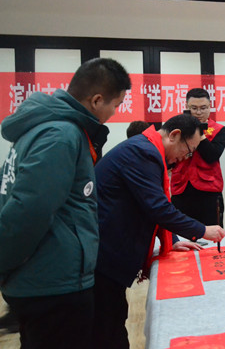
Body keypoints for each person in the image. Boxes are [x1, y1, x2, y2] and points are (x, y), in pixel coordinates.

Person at [0, 58, 131, 349]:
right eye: (116, 105)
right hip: (53, 284)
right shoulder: (61, 135)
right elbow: (28, 211)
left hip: (45, 277)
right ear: (97, 100)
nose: (114, 113)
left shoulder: (44, 128)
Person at [91, 114, 225, 348]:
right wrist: (203, 230)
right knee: (108, 327)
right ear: (174, 135)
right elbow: (158, 208)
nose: (186, 157)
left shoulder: (146, 148)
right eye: (189, 150)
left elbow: (153, 202)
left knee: (113, 320)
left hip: (109, 250)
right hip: (105, 252)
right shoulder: (144, 153)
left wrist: (172, 239)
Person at [171, 88, 225, 227]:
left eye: (203, 108)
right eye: (194, 108)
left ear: (209, 107)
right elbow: (168, 157)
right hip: (181, 189)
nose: (199, 112)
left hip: (209, 192)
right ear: (186, 107)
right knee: (180, 233)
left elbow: (211, 156)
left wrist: (198, 132)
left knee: (211, 234)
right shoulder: (176, 128)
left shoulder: (219, 129)